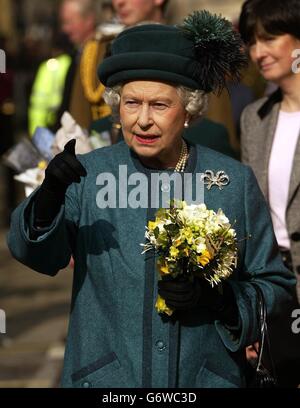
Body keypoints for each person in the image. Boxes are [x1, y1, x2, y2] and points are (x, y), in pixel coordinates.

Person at [7, 11, 295, 388]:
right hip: (106, 380)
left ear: (190, 111)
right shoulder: (87, 175)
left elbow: (276, 286)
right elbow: (34, 255)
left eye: (159, 105)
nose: (142, 120)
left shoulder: (231, 181)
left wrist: (224, 302)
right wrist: (47, 199)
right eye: (131, 104)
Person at [239, 0, 300, 387]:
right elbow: (251, 216)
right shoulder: (254, 117)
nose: (258, 52)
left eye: (270, 38)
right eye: (252, 41)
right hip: (274, 287)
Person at [53, 0, 100, 131]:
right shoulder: (76, 54)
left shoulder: (101, 55)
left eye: (69, 22)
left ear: (89, 20)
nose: (65, 29)